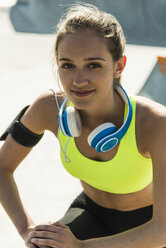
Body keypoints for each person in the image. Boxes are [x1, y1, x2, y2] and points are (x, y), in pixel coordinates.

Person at [0, 3, 166, 248]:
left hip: (148, 227)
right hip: (91, 212)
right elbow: (3, 168)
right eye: (67, 65)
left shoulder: (154, 124)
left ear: (118, 66)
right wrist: (28, 230)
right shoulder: (49, 108)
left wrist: (80, 247)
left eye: (93, 65)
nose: (78, 80)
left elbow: (162, 231)